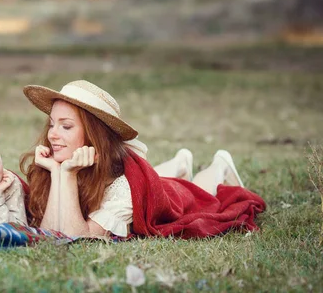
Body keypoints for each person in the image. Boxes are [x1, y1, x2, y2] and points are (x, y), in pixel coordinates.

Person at [20, 80, 266, 238]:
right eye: (52, 124)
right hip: (145, 181)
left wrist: (69, 174)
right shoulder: (55, 163)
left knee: (199, 191)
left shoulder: (124, 187)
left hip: (165, 197)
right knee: (165, 177)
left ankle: (219, 164)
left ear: (93, 135)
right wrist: (59, 172)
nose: (52, 135)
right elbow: (49, 233)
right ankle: (180, 162)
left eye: (66, 126)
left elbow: (76, 236)